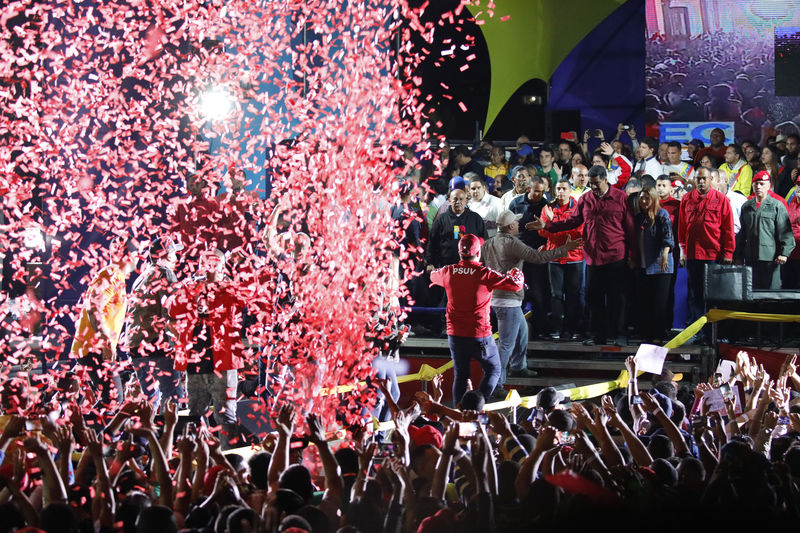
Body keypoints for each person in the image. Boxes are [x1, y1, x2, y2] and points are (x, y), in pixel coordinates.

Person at [528, 165, 634, 347]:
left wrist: (632, 255)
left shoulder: (620, 197)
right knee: (594, 298)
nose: (593, 187)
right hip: (593, 257)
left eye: (596, 184)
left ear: (605, 180)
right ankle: (598, 335)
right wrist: (547, 226)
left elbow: (630, 228)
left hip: (616, 256)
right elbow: (572, 221)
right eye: (591, 184)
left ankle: (618, 333)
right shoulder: (585, 199)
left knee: (617, 297)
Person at [482, 209, 580, 396]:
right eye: (516, 223)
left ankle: (518, 366)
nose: (519, 225)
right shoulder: (513, 243)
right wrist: (564, 250)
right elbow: (539, 258)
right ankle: (495, 385)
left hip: (497, 297)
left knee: (522, 332)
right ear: (510, 226)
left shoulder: (488, 244)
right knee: (506, 345)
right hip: (509, 300)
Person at [429, 234, 524, 404]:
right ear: (478, 253)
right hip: (480, 336)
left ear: (459, 253)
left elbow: (432, 275)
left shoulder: (448, 271)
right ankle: (478, 404)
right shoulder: (484, 274)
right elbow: (516, 284)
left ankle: (460, 413)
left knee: (461, 375)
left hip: (455, 336)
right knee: (494, 369)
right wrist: (517, 273)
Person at [170, 249, 245, 448]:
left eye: (215, 262)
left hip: (223, 362)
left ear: (222, 265)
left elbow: (244, 300)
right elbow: (173, 309)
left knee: (226, 415)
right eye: (205, 262)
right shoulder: (190, 286)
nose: (210, 266)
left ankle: (229, 461)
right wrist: (193, 293)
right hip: (195, 361)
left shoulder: (230, 288)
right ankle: (196, 460)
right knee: (195, 414)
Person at [70, 235, 137, 411]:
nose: (139, 257)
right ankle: (94, 435)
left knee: (108, 399)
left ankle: (88, 433)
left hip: (93, 348)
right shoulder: (111, 273)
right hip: (95, 349)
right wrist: (106, 340)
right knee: (113, 399)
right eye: (136, 252)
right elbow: (93, 306)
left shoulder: (117, 276)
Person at [126, 237, 184, 406]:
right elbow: (172, 314)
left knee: (151, 401)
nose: (176, 258)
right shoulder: (165, 273)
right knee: (173, 401)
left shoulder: (141, 277)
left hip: (136, 347)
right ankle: (170, 432)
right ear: (165, 255)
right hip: (156, 346)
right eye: (173, 253)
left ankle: (149, 431)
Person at [678, 167, 736, 326]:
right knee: (694, 294)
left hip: (713, 255)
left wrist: (728, 253)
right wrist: (683, 251)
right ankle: (696, 330)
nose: (701, 182)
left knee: (712, 295)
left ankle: (711, 332)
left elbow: (728, 229)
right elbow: (682, 229)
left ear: (711, 179)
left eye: (704, 178)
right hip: (692, 255)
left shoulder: (721, 199)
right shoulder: (686, 199)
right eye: (698, 179)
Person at [539, 179, 585, 340]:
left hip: (575, 257)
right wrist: (550, 222)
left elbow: (578, 231)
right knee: (556, 295)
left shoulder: (578, 207)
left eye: (564, 188)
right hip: (555, 257)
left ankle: (571, 330)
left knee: (573, 294)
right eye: (558, 188)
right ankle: (556, 329)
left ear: (570, 190)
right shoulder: (548, 208)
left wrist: (554, 226)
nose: (561, 192)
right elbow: (543, 232)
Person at [735, 172, 795, 289]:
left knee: (772, 292)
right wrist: (738, 255)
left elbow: (785, 232)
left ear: (768, 186)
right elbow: (742, 234)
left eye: (762, 184)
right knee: (752, 291)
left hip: (771, 257)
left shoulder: (777, 206)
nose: (758, 187)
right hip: (751, 257)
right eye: (755, 184)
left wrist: (784, 253)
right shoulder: (746, 207)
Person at [630, 187, 674, 343]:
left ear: (654, 199)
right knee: (645, 301)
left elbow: (668, 237)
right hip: (643, 264)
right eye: (641, 198)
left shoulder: (662, 214)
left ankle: (659, 334)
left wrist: (664, 255)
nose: (643, 201)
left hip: (660, 265)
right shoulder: (639, 218)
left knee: (659, 302)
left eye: (647, 198)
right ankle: (646, 333)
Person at [425, 188, 487, 271]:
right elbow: (432, 242)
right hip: (447, 267)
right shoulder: (441, 219)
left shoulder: (475, 218)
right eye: (455, 199)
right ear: (449, 201)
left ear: (466, 201)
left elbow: (485, 241)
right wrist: (430, 262)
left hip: (471, 269)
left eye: (461, 199)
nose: (458, 202)